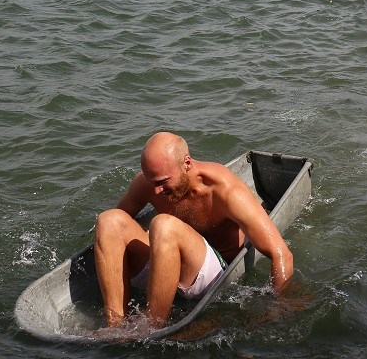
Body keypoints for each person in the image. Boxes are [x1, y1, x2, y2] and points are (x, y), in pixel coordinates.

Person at [93, 132, 294, 328]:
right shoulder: (150, 183)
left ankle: (151, 328)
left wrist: (277, 307)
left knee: (163, 224)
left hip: (210, 275)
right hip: (165, 262)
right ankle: (117, 327)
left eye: (163, 182)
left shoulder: (225, 191)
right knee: (108, 220)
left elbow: (282, 255)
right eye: (151, 181)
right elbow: (115, 234)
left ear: (187, 164)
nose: (156, 191)